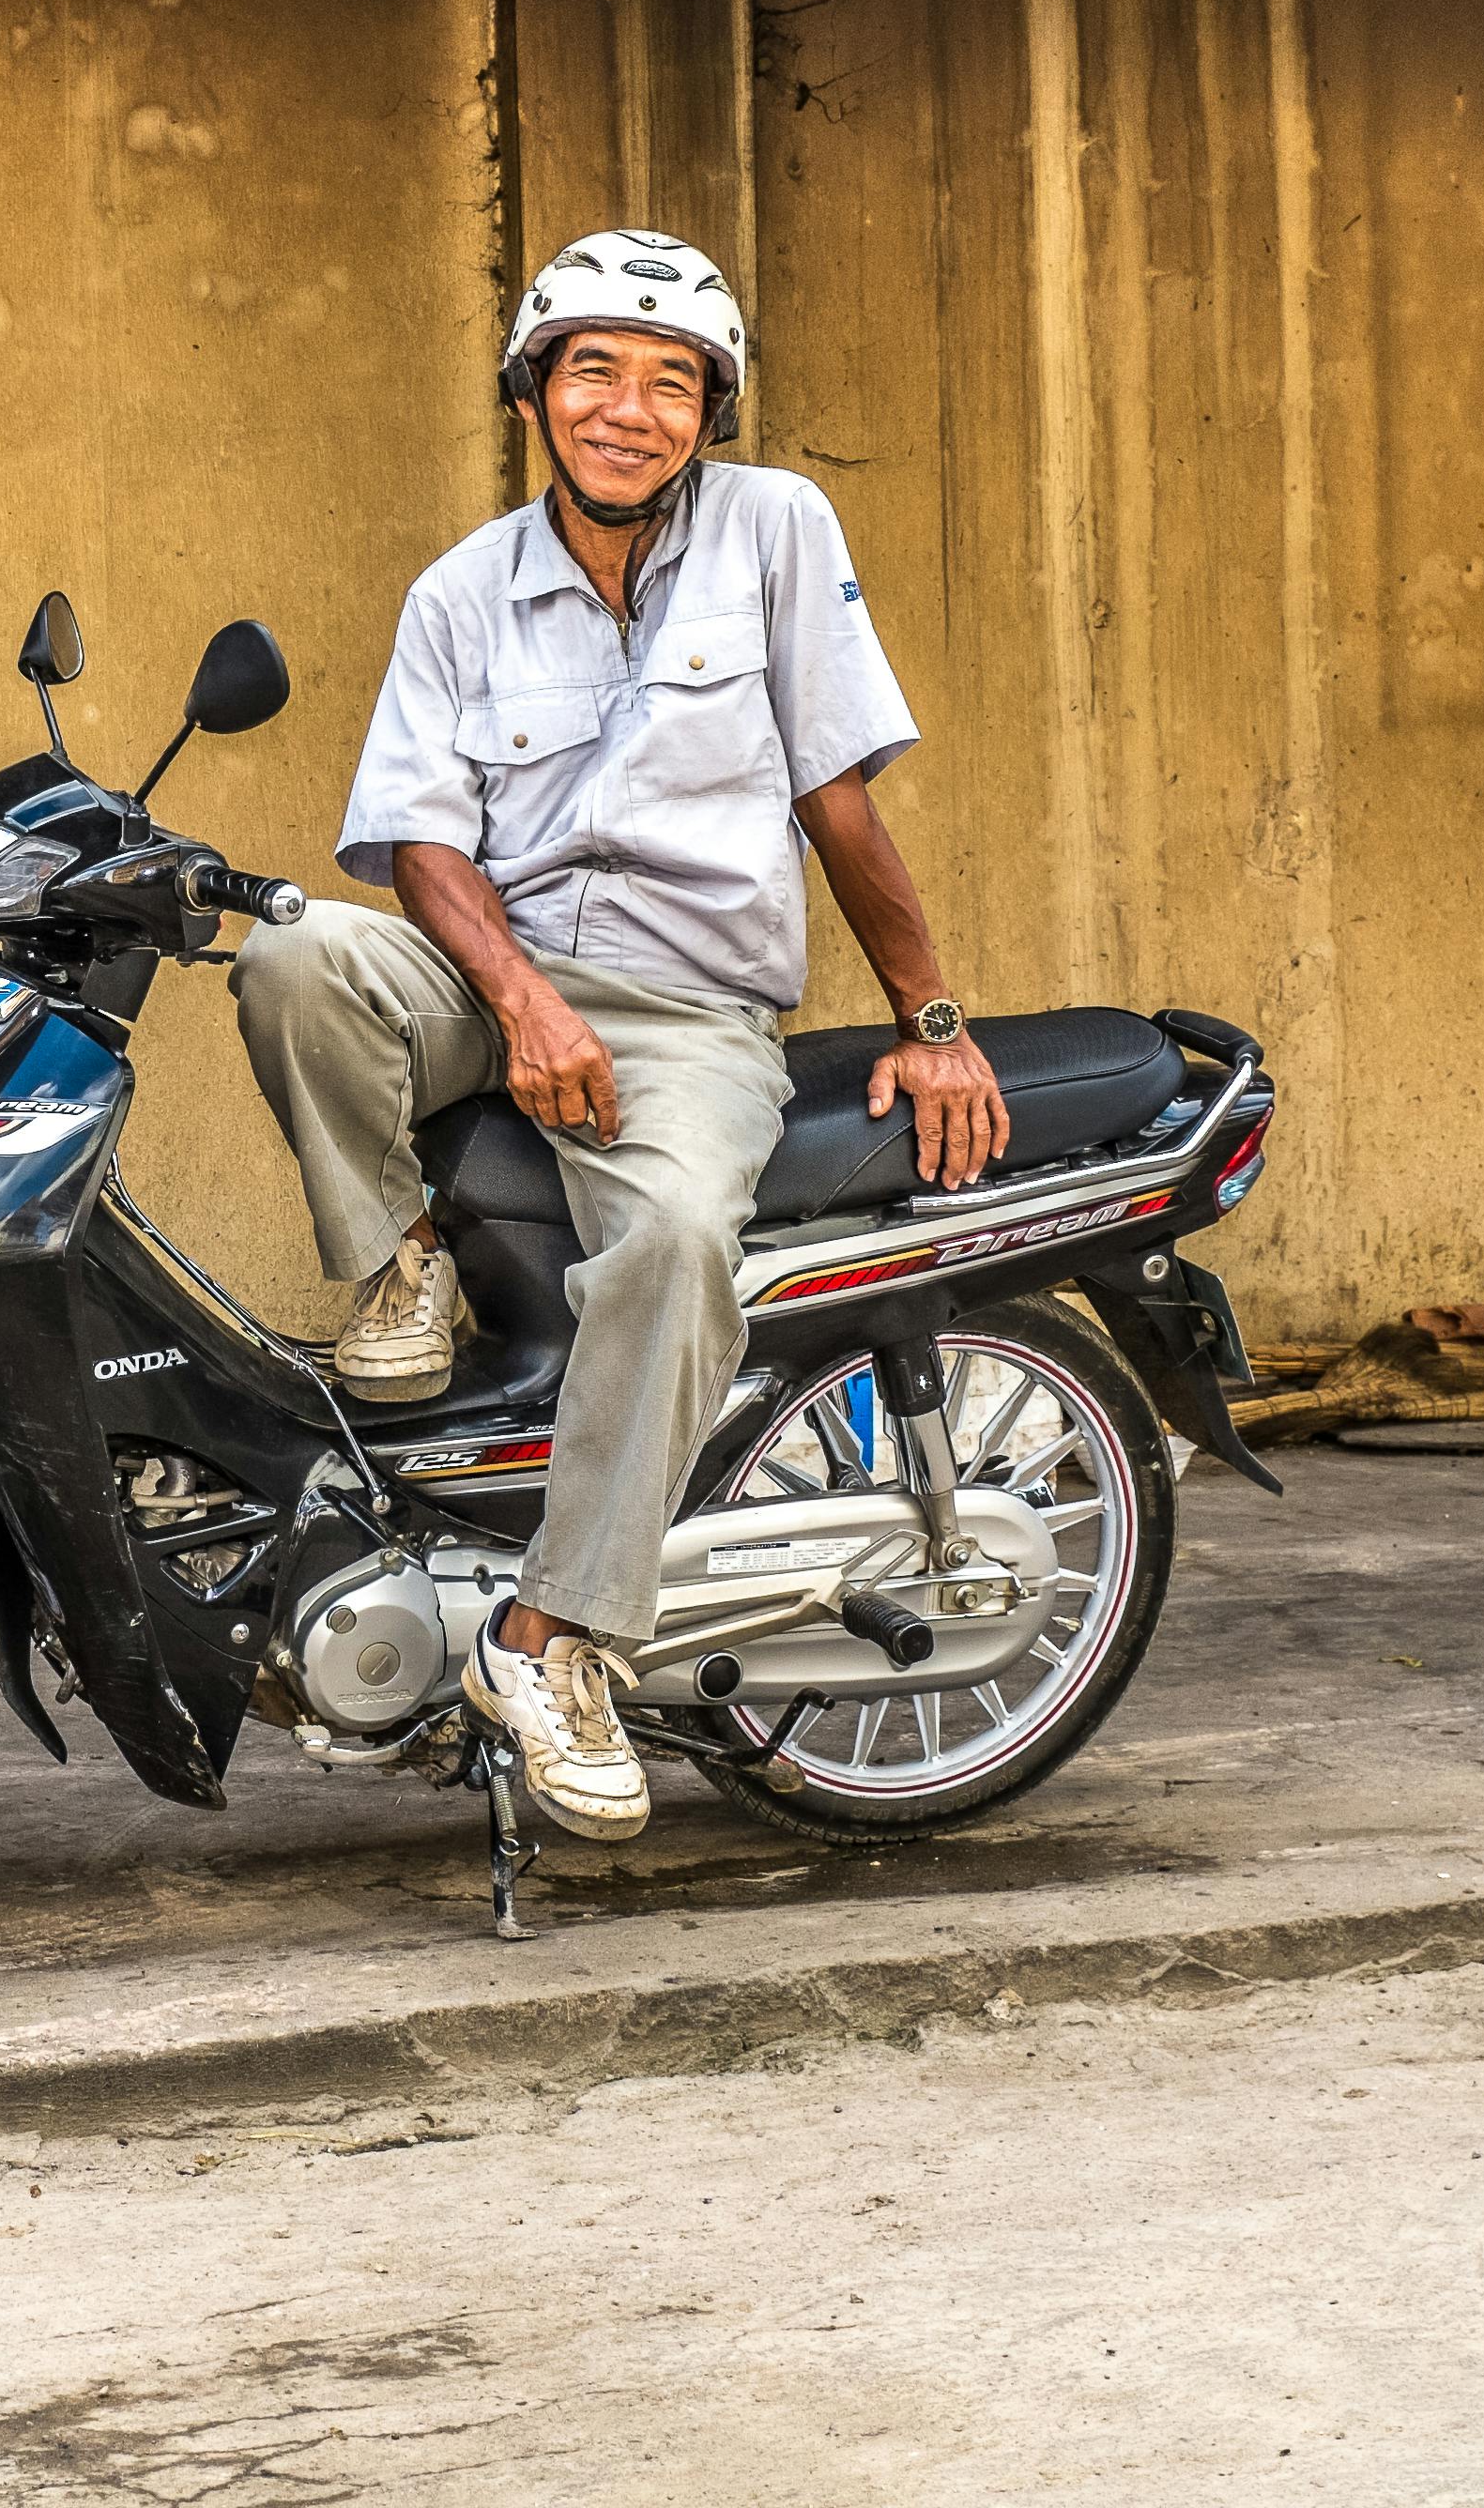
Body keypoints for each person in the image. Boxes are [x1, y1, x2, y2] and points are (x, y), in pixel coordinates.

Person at [231, 228, 1006, 1842]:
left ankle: (555, 1637)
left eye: (672, 384)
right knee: (299, 954)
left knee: (665, 1241)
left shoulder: (777, 530)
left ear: (707, 415)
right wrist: (517, 1001)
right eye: (596, 371)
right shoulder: (461, 592)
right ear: (536, 396)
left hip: (689, 1006)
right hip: (495, 971)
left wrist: (931, 1018)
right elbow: (424, 842)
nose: (630, 410)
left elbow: (837, 797)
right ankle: (399, 1261)